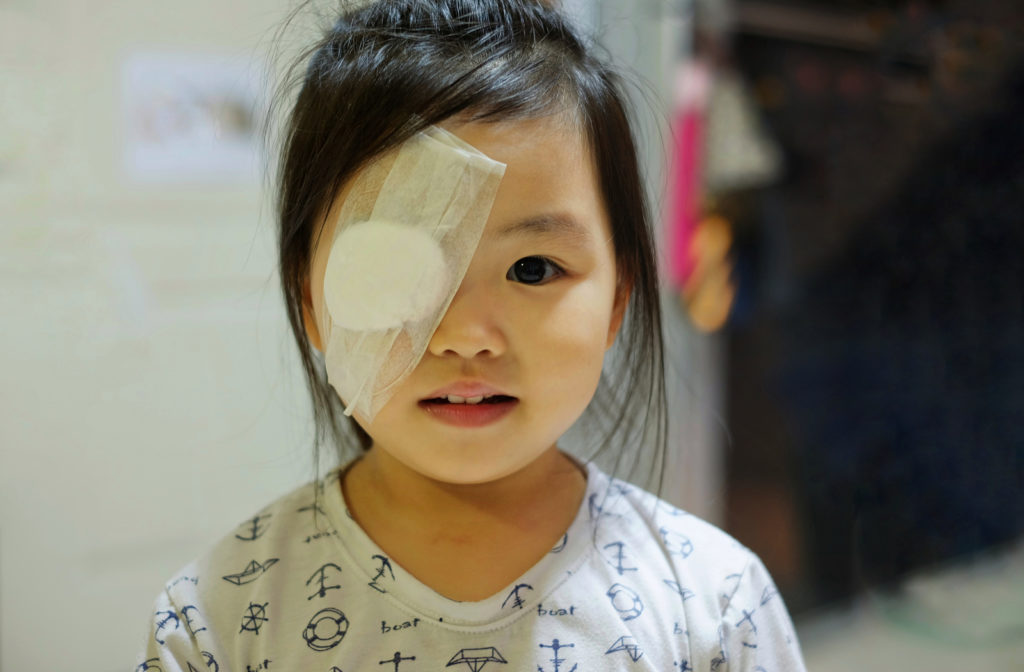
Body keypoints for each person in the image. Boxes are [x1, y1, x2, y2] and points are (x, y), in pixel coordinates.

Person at [135, 1, 807, 670]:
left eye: (533, 269)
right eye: (394, 267)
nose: (465, 337)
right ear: (309, 300)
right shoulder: (219, 621)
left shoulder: (714, 605)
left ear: (617, 301)